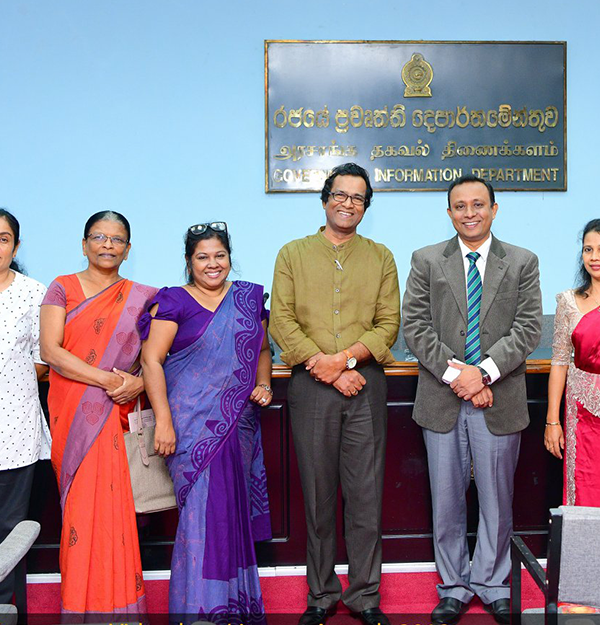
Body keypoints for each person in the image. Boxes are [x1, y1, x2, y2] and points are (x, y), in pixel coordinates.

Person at [402, 174, 542, 625]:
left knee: (497, 499)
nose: (469, 213)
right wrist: (457, 376)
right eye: (460, 206)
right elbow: (415, 326)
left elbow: (528, 328)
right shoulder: (426, 259)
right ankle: (454, 586)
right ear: (449, 213)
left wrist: (481, 374)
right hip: (441, 399)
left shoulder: (522, 261)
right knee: (446, 501)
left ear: (494, 209)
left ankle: (493, 583)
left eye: (478, 204)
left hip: (499, 398)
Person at [270, 163, 400, 625]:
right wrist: (323, 367)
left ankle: (365, 596)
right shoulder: (293, 253)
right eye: (340, 195)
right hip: (311, 389)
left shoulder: (381, 257)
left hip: (365, 385)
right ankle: (322, 595)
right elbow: (281, 320)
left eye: (358, 198)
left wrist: (343, 361)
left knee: (366, 496)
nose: (348, 204)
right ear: (325, 199)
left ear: (366, 207)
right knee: (318, 496)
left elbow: (388, 324)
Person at [139, 222, 272, 623]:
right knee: (201, 520)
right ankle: (198, 612)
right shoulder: (175, 300)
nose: (213, 264)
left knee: (230, 518)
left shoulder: (247, 299)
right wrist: (164, 422)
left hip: (237, 424)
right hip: (190, 428)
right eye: (203, 257)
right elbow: (151, 360)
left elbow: (263, 349)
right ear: (189, 261)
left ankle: (234, 609)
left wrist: (264, 383)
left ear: (229, 257)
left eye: (220, 256)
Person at [40, 211, 157, 616]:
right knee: (79, 514)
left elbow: (158, 358)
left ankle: (121, 609)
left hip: (116, 416)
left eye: (117, 239)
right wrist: (107, 379)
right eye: (99, 237)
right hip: (73, 414)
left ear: (128, 249)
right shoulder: (62, 287)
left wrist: (138, 383)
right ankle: (80, 608)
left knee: (115, 514)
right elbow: (51, 350)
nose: (108, 244)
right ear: (84, 244)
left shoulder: (145, 297)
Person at [0, 209, 51, 610]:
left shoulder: (33, 293)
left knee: (10, 531)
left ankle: (6, 608)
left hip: (15, 428)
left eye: (3, 239)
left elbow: (42, 360)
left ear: (15, 247)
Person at [544, 219, 600, 506]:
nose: (594, 257)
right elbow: (559, 362)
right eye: (588, 249)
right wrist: (552, 421)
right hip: (580, 414)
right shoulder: (568, 301)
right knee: (585, 488)